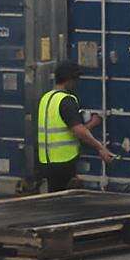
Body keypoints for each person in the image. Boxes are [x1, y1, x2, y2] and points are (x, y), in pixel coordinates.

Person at [33, 61, 113, 192]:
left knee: (54, 196)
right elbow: (78, 130)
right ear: (69, 80)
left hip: (46, 160)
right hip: (63, 160)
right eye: (76, 79)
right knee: (64, 200)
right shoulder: (66, 100)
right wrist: (99, 144)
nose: (77, 83)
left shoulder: (46, 98)